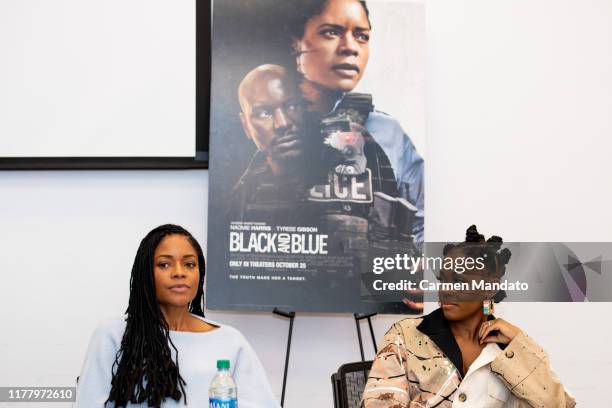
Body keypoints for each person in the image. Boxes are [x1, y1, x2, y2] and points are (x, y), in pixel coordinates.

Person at [361, 226, 576, 407]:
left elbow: (558, 404)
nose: (446, 290)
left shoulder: (508, 348)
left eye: (459, 281)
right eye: (443, 280)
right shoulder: (405, 336)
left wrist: (519, 342)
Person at [75, 224, 280, 408]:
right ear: (145, 274)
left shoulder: (230, 341)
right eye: (164, 264)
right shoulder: (113, 335)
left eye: (190, 264)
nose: (179, 272)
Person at [288, 0, 425, 242]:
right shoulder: (272, 127)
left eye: (362, 36)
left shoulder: (387, 133)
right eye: (331, 32)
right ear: (296, 43)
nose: (351, 47)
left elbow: (421, 227)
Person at [228, 64, 319, 223]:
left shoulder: (353, 178)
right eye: (264, 113)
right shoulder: (240, 199)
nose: (282, 124)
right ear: (246, 126)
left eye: (292, 106)